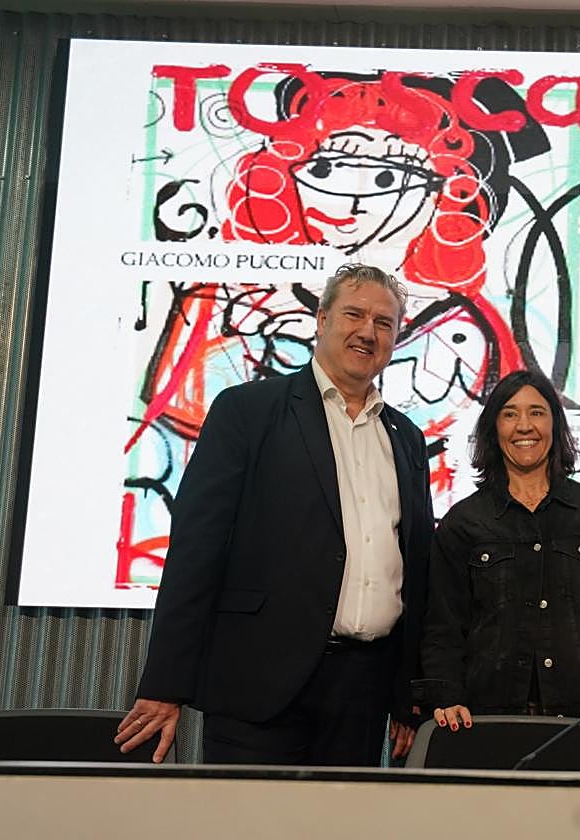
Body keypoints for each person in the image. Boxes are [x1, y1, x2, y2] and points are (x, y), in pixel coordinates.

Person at [115, 263, 434, 765]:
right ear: (322, 319)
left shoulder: (406, 438)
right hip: (258, 685)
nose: (368, 332)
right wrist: (165, 685)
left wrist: (406, 695)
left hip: (362, 695)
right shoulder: (247, 410)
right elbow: (197, 551)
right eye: (354, 314)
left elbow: (415, 571)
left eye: (383, 322)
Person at [422, 371, 580, 769]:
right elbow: (443, 627)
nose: (524, 426)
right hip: (485, 724)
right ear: (493, 428)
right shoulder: (464, 522)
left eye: (537, 412)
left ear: (555, 425)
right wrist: (447, 698)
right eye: (510, 414)